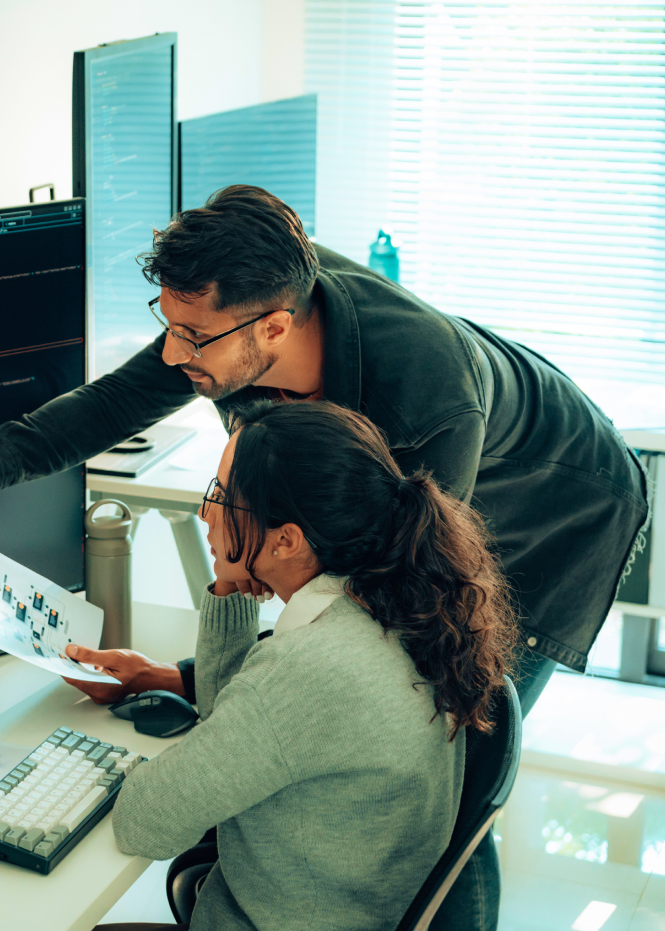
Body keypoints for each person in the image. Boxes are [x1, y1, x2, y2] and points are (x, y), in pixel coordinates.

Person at [0, 185, 649, 928]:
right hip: (451, 475)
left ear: (275, 328)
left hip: (556, 506)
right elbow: (117, 400)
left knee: (446, 738)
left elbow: (368, 629)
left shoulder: (424, 402)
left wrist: (219, 695)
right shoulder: (243, 302)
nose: (173, 353)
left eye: (190, 337)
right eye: (168, 325)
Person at [94, 397, 518, 931]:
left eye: (221, 497)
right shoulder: (399, 607)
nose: (205, 513)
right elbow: (234, 723)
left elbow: (144, 823)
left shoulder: (308, 670)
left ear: (287, 540)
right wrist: (230, 585)